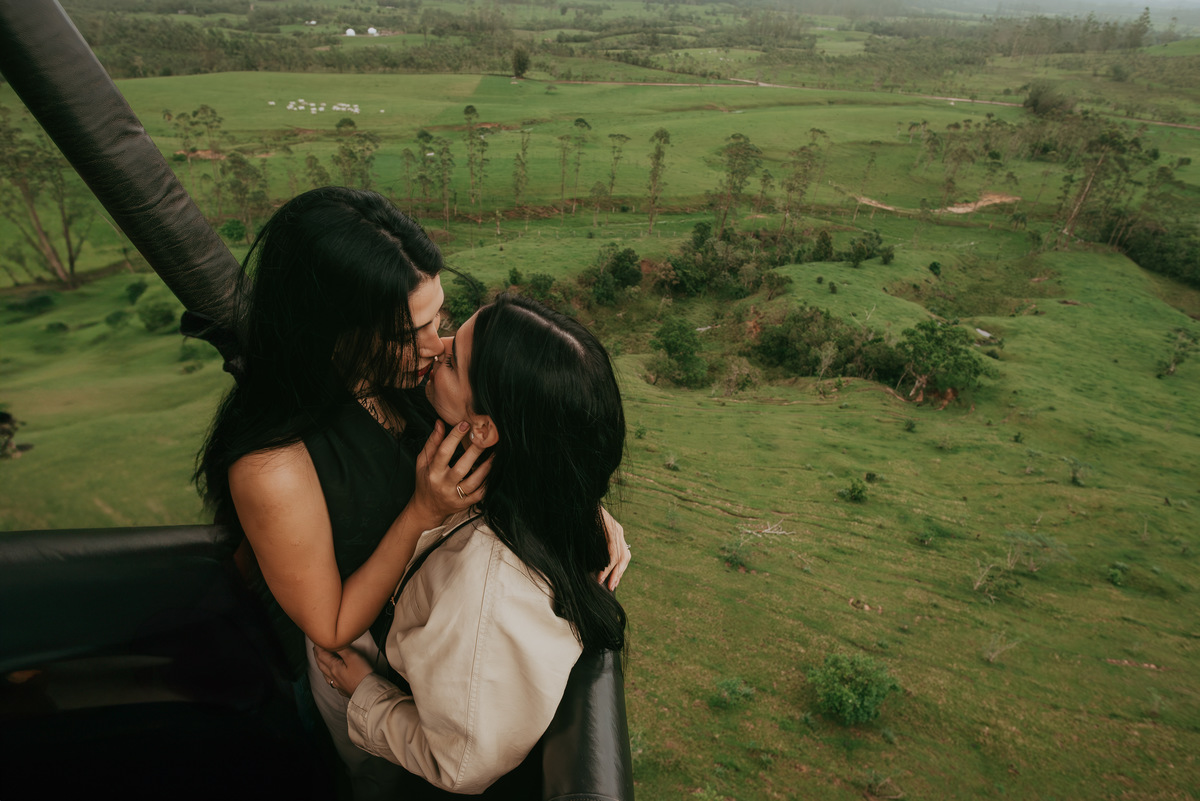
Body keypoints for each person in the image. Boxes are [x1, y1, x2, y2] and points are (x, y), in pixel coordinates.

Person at [195, 188, 629, 798]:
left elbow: (513, 436)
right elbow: (331, 622)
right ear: (333, 330)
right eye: (411, 331)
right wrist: (421, 513)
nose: (436, 345)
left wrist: (577, 512)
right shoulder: (274, 465)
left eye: (440, 318)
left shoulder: (414, 377)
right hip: (360, 668)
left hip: (437, 657)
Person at [315, 293, 628, 797]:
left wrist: (364, 693)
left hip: (379, 695)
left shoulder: (489, 594)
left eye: (453, 359)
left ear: (483, 426)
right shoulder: (527, 491)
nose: (436, 348)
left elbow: (460, 764)